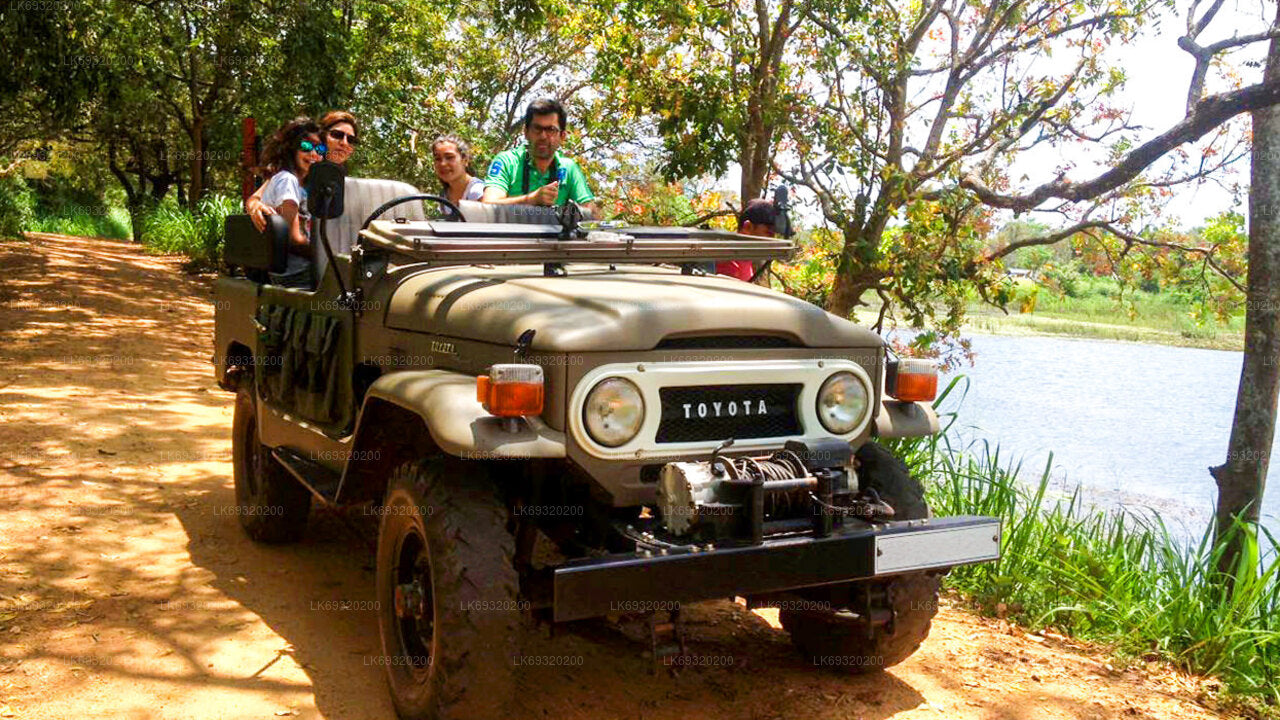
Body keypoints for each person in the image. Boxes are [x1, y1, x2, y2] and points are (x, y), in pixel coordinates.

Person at [247, 111, 359, 231]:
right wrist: (256, 207)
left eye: (351, 140)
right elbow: (255, 199)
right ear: (322, 136)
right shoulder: (294, 173)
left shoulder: (347, 183)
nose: (344, 143)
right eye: (337, 135)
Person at [482, 99, 596, 213]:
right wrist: (531, 199)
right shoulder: (507, 161)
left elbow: (591, 213)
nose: (543, 136)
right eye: (537, 128)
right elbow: (488, 206)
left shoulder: (568, 168)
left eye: (551, 130)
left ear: (562, 136)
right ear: (526, 132)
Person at [256, 117, 326, 287]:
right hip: (296, 274)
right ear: (291, 149)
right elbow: (293, 239)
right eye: (306, 146)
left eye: (320, 148)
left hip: (303, 269)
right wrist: (329, 255)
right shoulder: (287, 180)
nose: (314, 154)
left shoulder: (306, 186)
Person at [718, 198, 776, 281]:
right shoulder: (726, 262)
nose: (772, 240)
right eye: (768, 233)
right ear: (748, 227)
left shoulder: (743, 260)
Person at [431, 135, 485, 208]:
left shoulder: (478, 192)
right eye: (437, 159)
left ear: (465, 160)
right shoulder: (444, 195)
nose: (443, 163)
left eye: (449, 157)